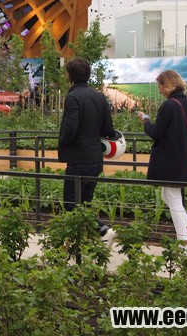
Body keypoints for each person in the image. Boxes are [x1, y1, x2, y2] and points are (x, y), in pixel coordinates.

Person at [137, 70, 187, 252]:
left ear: (167, 85)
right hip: (186, 159)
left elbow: (156, 133)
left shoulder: (168, 106)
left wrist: (146, 120)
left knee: (173, 199)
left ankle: (185, 243)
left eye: (160, 86)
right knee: (168, 196)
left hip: (169, 160)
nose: (159, 90)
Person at [57, 57, 117, 246]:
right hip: (95, 159)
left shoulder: (73, 97)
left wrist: (62, 142)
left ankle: (101, 230)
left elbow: (70, 128)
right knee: (85, 202)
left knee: (71, 203)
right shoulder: (99, 96)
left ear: (70, 76)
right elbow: (109, 129)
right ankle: (85, 241)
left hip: (78, 158)